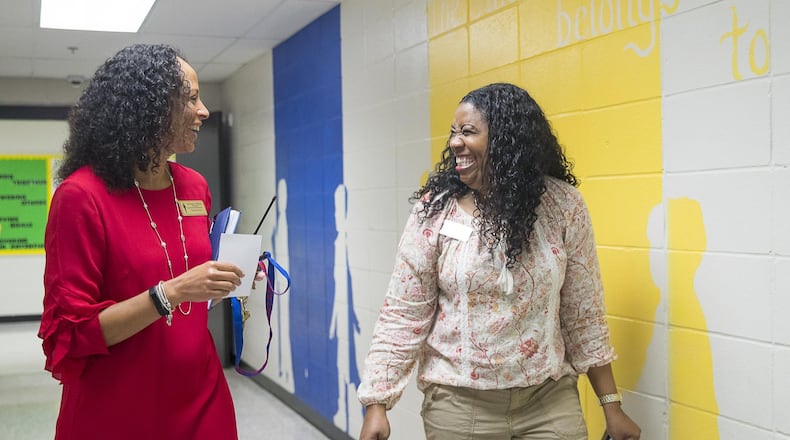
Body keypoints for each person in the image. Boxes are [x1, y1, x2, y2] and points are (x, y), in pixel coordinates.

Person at [357, 83, 641, 440]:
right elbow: (402, 314)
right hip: (460, 407)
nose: (455, 143)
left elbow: (583, 314)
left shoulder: (563, 207)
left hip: (548, 401)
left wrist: (611, 405)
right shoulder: (435, 213)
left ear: (508, 141)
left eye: (469, 132)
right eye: (454, 133)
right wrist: (377, 403)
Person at [38, 44, 247, 439]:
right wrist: (170, 292)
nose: (204, 110)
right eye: (191, 98)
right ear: (147, 107)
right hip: (119, 408)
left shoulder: (194, 187)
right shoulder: (81, 197)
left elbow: (189, 269)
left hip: (202, 397)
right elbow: (70, 333)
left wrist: (226, 275)